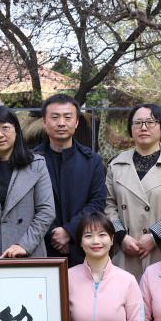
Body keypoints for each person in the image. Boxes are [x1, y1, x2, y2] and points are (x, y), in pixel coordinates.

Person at [105, 103, 161, 279]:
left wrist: (155, 236)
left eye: (150, 122)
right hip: (125, 252)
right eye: (138, 123)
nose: (143, 127)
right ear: (131, 128)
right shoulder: (116, 165)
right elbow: (108, 205)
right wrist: (121, 236)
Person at [0, 105, 55, 259]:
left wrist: (24, 245)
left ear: (16, 130)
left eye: (5, 128)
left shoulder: (36, 165)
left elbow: (46, 211)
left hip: (28, 253)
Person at [32, 94, 106, 266]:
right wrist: (53, 234)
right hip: (41, 247)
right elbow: (27, 204)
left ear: (77, 122)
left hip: (82, 247)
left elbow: (97, 202)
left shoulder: (92, 161)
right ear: (44, 122)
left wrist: (69, 231)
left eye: (67, 117)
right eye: (55, 117)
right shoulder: (31, 161)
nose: (61, 123)